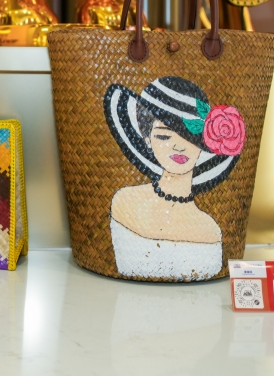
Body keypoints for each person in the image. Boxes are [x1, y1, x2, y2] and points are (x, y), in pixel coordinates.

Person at [104, 74, 246, 280]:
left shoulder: (210, 230)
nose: (178, 146)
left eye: (190, 137)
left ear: (204, 145)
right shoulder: (124, 202)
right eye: (164, 135)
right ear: (147, 139)